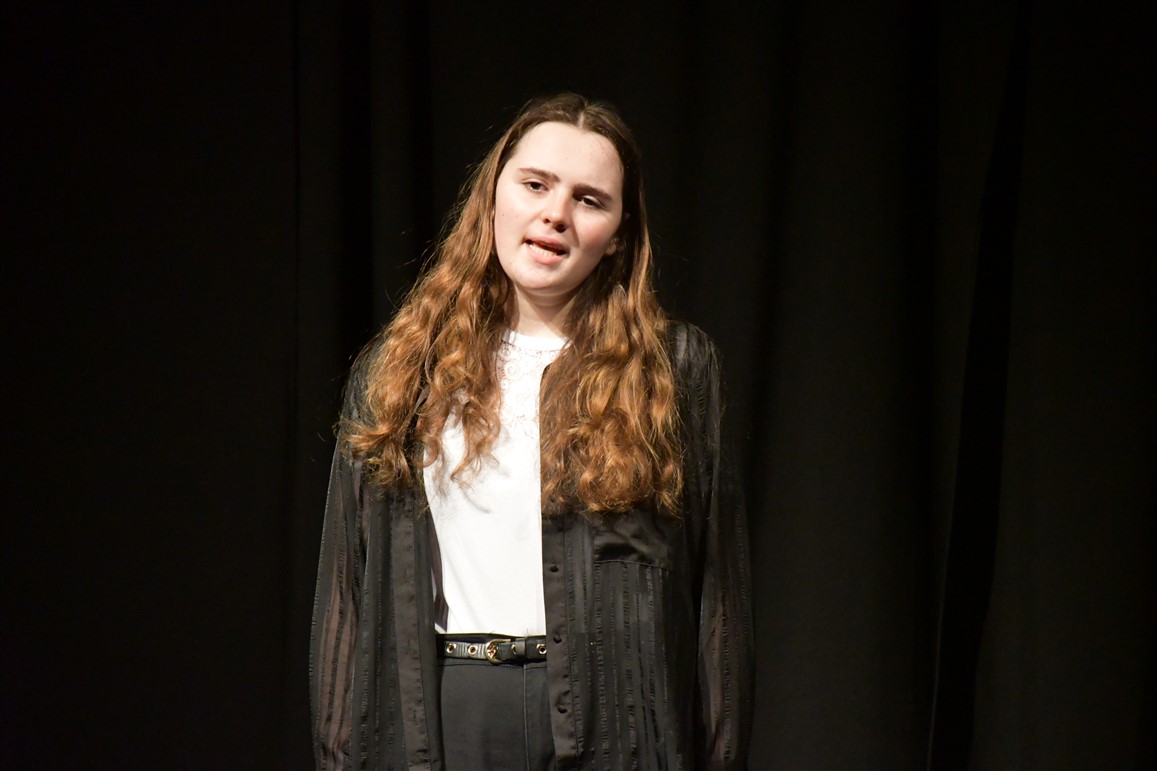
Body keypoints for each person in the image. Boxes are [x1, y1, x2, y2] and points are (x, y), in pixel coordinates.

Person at [310, 93, 753, 770]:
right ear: (494, 197)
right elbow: (346, 590)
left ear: (619, 232)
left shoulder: (672, 369)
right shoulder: (402, 369)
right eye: (536, 185)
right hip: (448, 715)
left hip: (615, 723)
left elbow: (717, 600)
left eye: (589, 199)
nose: (555, 214)